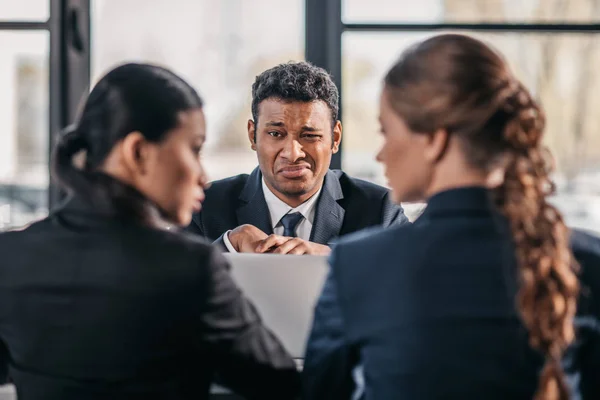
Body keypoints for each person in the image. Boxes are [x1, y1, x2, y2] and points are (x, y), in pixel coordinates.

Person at [303, 34, 600, 399]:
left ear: (434, 140)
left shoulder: (358, 265)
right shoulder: (585, 260)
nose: (380, 154)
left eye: (386, 131)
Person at [0, 63, 300, 400]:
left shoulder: (9, 256)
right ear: (138, 152)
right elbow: (282, 386)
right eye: (194, 149)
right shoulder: (189, 268)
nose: (202, 175)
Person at [187, 61, 408, 255]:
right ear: (252, 136)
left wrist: (334, 259)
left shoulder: (380, 211)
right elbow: (168, 290)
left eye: (309, 136)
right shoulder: (205, 207)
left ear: (335, 138)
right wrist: (227, 245)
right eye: (275, 134)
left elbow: (409, 284)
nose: (293, 154)